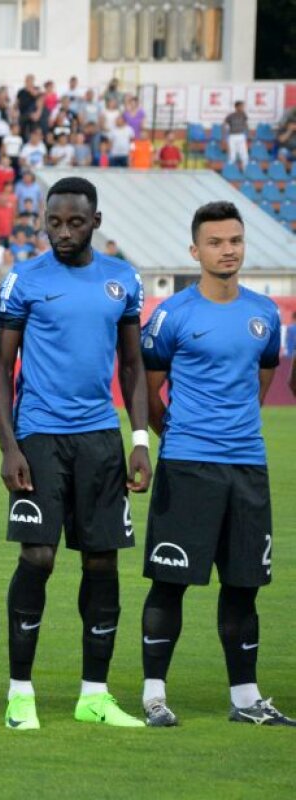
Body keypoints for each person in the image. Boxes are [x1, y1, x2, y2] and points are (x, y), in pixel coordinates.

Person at [0, 176, 152, 731]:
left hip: (101, 440)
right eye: (53, 222)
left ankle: (95, 695)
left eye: (75, 222)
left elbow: (132, 367)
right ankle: (19, 694)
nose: (63, 232)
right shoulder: (24, 279)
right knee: (38, 558)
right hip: (39, 438)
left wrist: (138, 440)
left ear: (96, 222)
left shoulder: (122, 280)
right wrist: (10, 446)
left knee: (102, 561)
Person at [137, 202, 293, 727]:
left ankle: (247, 699)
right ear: (195, 251)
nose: (228, 250)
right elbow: (149, 389)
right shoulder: (172, 315)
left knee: (244, 584)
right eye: (216, 242)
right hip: (188, 467)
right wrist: (179, 433)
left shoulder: (264, 315)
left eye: (235, 241)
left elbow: (261, 380)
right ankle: (154, 695)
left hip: (248, 465)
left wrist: (232, 427)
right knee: (170, 581)